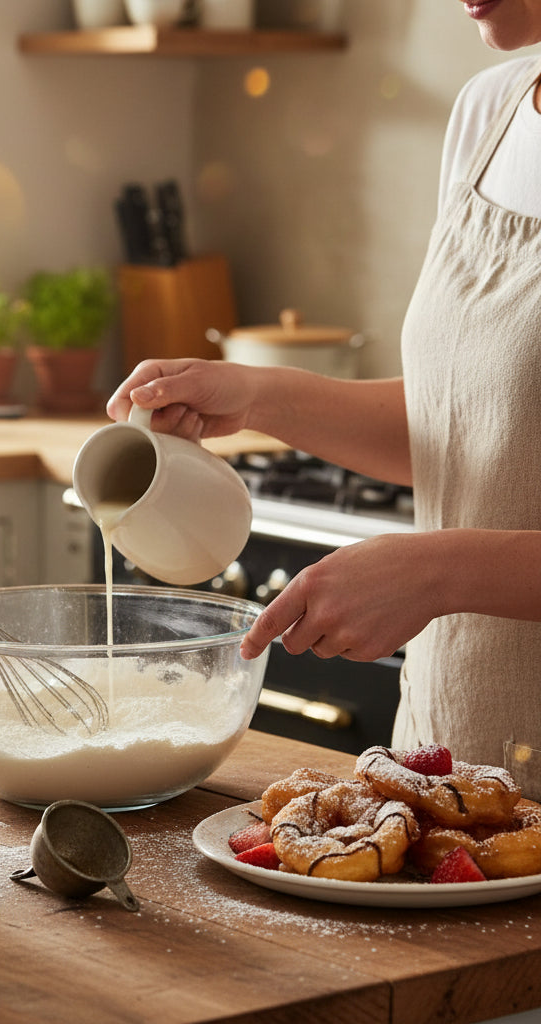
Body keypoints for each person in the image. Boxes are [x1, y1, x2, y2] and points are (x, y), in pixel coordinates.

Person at [106, 0, 541, 769]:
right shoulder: (489, 114)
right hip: (450, 751)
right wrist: (259, 396)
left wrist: (436, 571)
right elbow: (476, 431)